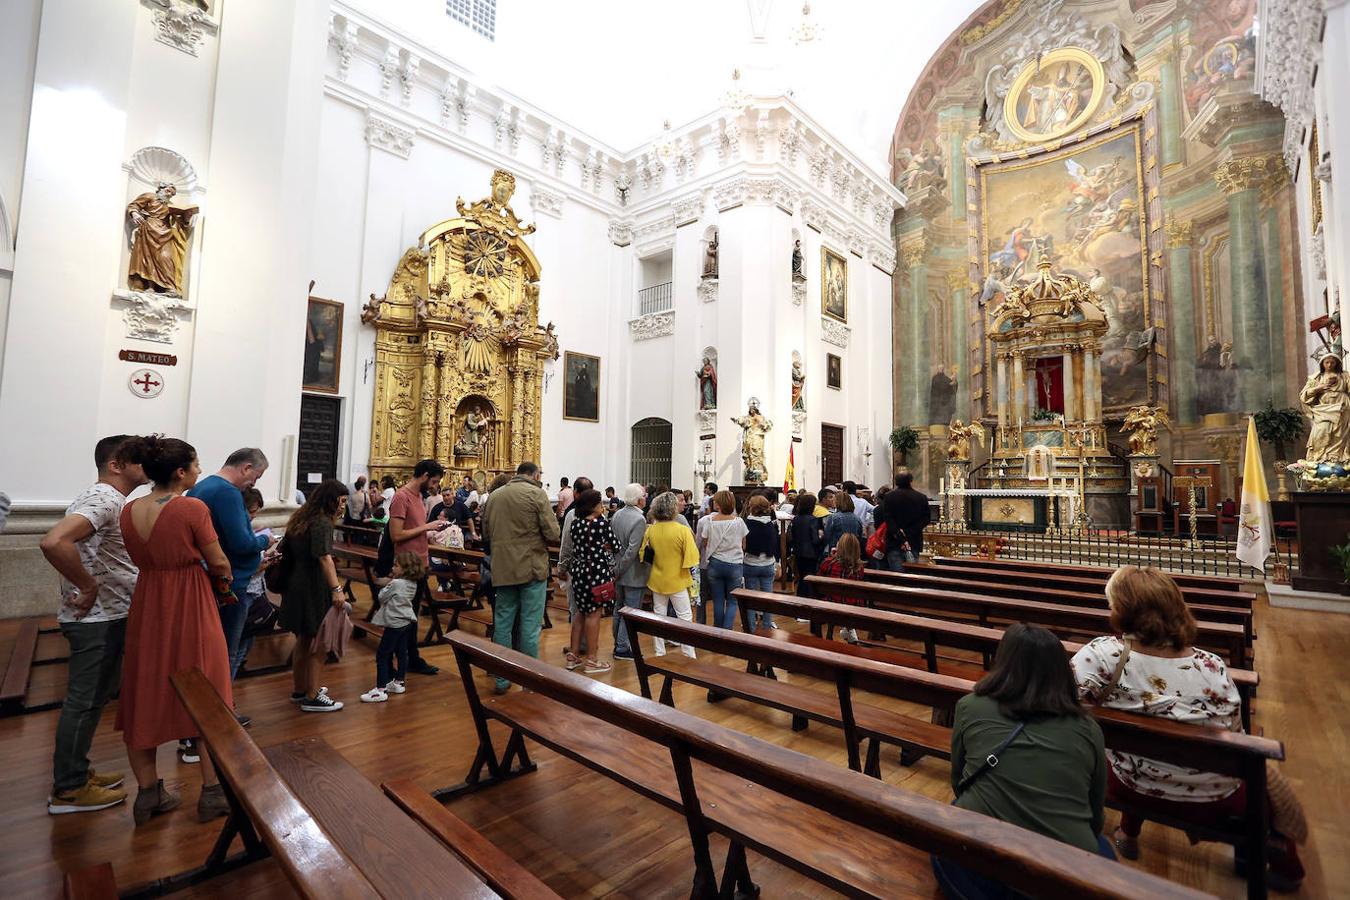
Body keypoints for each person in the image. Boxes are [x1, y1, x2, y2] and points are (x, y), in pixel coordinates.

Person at [1070, 566, 1305, 889]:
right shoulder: (1212, 667)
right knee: (1261, 777)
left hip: (1129, 779)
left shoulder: (1100, 657)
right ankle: (1286, 869)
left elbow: (1066, 700)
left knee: (1136, 750)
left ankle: (1129, 831)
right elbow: (1232, 732)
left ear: (1120, 611)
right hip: (1212, 797)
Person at [932, 623, 1111, 899]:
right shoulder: (1088, 729)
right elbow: (1095, 813)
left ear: (1002, 662)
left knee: (949, 827)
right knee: (1103, 851)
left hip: (976, 861)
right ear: (1061, 671)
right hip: (1063, 877)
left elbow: (959, 781)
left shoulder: (970, 705)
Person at [115, 435, 234, 826]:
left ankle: (149, 794)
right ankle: (212, 792)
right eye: (196, 465)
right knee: (206, 687)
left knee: (144, 690)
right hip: (189, 600)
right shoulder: (191, 507)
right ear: (181, 472)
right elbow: (217, 561)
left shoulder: (129, 509)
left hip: (149, 599)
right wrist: (225, 577)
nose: (200, 471)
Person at [41, 435, 147, 815]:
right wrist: (87, 585)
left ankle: (78, 773)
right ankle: (68, 789)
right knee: (83, 703)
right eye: (138, 459)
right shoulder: (103, 498)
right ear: (116, 465)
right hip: (97, 618)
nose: (147, 463)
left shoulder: (111, 499)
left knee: (93, 701)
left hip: (109, 614)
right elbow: (55, 542)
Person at [185, 448, 272, 727]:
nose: (254, 484)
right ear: (246, 468)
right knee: (227, 652)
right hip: (232, 582)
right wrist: (264, 540)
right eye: (256, 476)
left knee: (209, 649)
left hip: (207, 577)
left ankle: (205, 710)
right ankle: (221, 712)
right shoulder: (228, 493)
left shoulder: (201, 487)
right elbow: (241, 543)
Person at [481, 462, 560, 693]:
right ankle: (529, 678)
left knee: (503, 623)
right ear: (535, 475)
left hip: (503, 568)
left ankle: (502, 678)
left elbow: (486, 533)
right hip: (531, 568)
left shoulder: (495, 496)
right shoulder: (536, 494)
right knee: (530, 624)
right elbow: (553, 533)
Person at [277, 479, 350, 712]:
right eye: (341, 501)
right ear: (330, 499)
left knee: (304, 639)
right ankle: (312, 695)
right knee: (320, 642)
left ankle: (300, 690)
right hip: (312, 587)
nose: (342, 507)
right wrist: (337, 589)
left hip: (296, 584)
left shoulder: (302, 518)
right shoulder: (321, 523)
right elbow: (324, 557)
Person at [387, 460, 453, 676]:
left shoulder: (418, 497)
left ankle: (411, 657)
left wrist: (429, 532)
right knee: (404, 616)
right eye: (433, 481)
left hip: (420, 563)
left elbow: (413, 530)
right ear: (424, 475)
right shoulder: (401, 497)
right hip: (407, 565)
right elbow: (395, 535)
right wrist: (427, 526)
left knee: (412, 615)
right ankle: (399, 659)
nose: (435, 486)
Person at [640, 492, 700, 657]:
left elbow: (643, 554)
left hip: (657, 578)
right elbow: (692, 558)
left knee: (659, 616)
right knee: (685, 617)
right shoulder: (682, 530)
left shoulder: (651, 530)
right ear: (673, 509)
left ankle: (660, 652)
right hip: (678, 579)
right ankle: (689, 653)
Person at [361, 552, 424, 703]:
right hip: (405, 622)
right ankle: (399, 682)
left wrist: (387, 584)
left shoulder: (396, 584)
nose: (393, 567)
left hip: (394, 623)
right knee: (402, 652)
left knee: (382, 654)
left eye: (396, 565)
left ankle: (380, 689)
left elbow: (381, 597)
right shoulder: (413, 584)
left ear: (405, 569)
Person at [564, 489, 616, 674]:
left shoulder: (576, 523)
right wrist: (604, 546)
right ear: (594, 505)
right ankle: (592, 660)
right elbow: (615, 545)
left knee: (579, 613)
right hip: (596, 572)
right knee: (594, 614)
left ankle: (573, 656)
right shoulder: (601, 523)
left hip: (579, 572)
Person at [232, 488, 274, 679]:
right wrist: (263, 565)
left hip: (254, 592)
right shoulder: (235, 531)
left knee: (246, 641)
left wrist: (265, 557)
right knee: (236, 646)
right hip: (245, 593)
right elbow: (242, 568)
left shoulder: (244, 528)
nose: (253, 516)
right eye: (251, 511)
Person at [557, 476, 596, 655]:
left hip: (576, 568)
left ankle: (577, 645)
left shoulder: (573, 515)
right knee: (591, 610)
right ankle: (588, 645)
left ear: (576, 493)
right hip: (595, 569)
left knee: (576, 608)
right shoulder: (599, 515)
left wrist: (562, 567)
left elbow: (567, 543)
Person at [697, 490, 748, 630]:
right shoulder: (739, 522)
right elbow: (743, 544)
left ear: (718, 505)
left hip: (715, 563)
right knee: (732, 601)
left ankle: (718, 630)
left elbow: (705, 543)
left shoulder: (710, 521)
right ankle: (727, 631)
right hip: (735, 564)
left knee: (718, 600)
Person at [610, 483, 650, 661]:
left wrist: (615, 568)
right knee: (631, 610)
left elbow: (613, 545)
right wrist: (619, 569)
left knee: (619, 608)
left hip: (618, 569)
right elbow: (632, 551)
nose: (646, 498)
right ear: (639, 499)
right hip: (631, 572)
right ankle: (622, 647)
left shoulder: (617, 514)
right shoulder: (639, 519)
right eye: (644, 495)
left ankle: (617, 643)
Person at [817, 533, 866, 642]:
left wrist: (832, 556)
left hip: (832, 603)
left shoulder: (829, 563)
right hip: (854, 606)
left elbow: (819, 580)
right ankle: (849, 630)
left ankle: (834, 632)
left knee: (833, 597)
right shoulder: (859, 568)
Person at [741, 495, 780, 630]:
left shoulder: (747, 523)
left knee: (751, 598)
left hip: (751, 563)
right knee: (767, 597)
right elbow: (776, 544)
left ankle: (750, 627)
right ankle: (767, 625)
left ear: (752, 507)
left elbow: (744, 545)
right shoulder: (771, 524)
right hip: (768, 563)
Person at [881, 472, 929, 569]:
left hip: (894, 540)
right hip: (913, 540)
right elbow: (926, 519)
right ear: (911, 481)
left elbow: (888, 519)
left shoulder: (889, 497)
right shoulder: (921, 497)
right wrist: (909, 532)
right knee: (912, 572)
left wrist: (899, 533)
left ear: (896, 482)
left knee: (896, 574)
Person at [790, 493, 825, 597]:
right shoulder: (813, 520)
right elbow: (815, 539)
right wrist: (821, 537)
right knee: (809, 577)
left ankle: (800, 597)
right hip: (811, 553)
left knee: (801, 577)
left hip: (798, 551)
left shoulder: (796, 518)